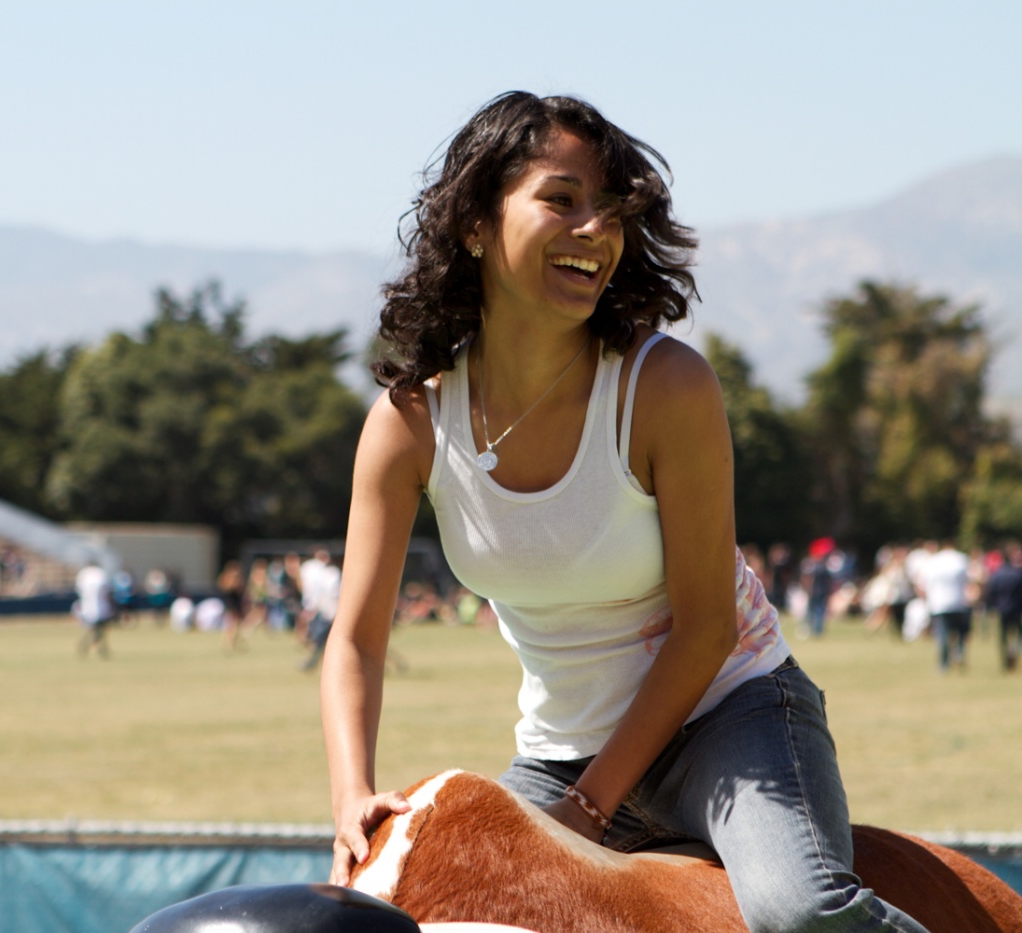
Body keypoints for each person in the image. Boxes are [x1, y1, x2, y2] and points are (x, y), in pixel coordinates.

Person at [320, 92, 926, 932]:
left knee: (799, 913)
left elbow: (707, 628)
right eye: (561, 198)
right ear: (474, 221)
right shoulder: (408, 423)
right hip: (556, 754)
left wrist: (592, 807)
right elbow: (356, 638)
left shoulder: (665, 386)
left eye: (611, 209)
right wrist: (351, 795)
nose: (595, 229)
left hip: (733, 718)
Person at [918, 540, 972, 673]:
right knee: (960, 632)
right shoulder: (961, 559)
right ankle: (959, 652)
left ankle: (944, 663)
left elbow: (923, 584)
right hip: (959, 602)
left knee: (942, 634)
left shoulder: (933, 561)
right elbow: (970, 580)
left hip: (938, 604)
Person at [985, 541, 1022, 672]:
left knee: (1003, 636)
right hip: (1016, 608)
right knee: (1019, 634)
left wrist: (990, 607)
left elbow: (991, 592)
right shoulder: (1018, 574)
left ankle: (1005, 660)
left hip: (1001, 608)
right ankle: (1014, 650)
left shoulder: (996, 575)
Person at [74, 561, 114, 659]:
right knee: (99, 630)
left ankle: (100, 649)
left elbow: (79, 591)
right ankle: (90, 646)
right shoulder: (101, 574)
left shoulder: (83, 574)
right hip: (101, 608)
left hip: (87, 607)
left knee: (98, 630)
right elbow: (108, 591)